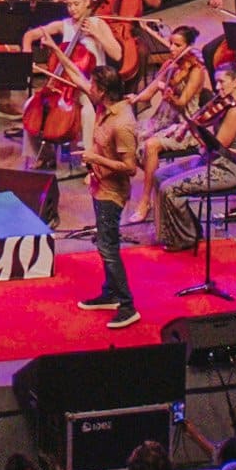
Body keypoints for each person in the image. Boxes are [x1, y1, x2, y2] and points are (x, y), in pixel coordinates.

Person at [81, 70, 150, 325]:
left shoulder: (121, 123)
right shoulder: (105, 108)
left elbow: (131, 167)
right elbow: (76, 79)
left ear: (102, 91)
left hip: (112, 193)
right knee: (104, 244)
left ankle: (127, 304)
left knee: (108, 248)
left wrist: (95, 158)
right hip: (100, 186)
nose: (89, 87)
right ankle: (109, 293)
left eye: (92, 84)